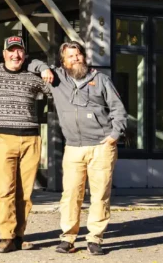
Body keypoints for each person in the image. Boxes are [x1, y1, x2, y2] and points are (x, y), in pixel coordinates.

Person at [47, 41, 127, 256]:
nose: (76, 59)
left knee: (100, 195)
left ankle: (95, 238)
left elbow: (118, 109)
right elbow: (33, 64)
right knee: (71, 194)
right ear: (63, 61)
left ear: (84, 56)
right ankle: (68, 238)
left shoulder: (100, 79)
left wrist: (114, 135)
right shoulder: (57, 79)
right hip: (73, 147)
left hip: (101, 146)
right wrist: (43, 68)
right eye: (70, 56)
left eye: (78, 54)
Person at [0, 36, 53, 254]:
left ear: (25, 55)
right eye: (11, 51)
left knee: (25, 193)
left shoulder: (33, 77)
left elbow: (54, 91)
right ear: (4, 54)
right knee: (5, 190)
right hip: (4, 138)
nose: (16, 55)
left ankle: (19, 236)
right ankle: (6, 237)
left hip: (32, 139)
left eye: (19, 51)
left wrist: (43, 67)